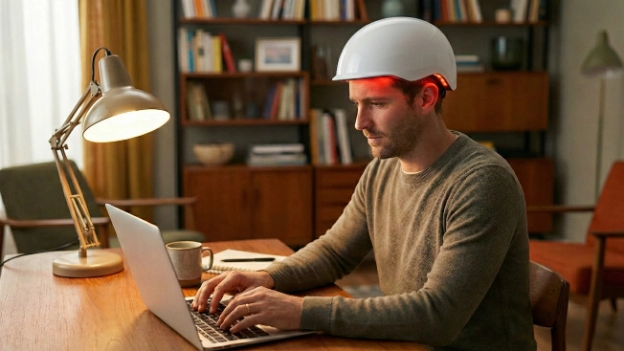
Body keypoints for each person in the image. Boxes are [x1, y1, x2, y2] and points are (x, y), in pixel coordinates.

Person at [193, 17, 536, 350]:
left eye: (377, 103)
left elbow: (439, 316)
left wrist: (299, 312)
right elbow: (333, 252)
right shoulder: (382, 169)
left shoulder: (483, 182)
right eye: (357, 104)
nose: (360, 122)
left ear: (426, 98)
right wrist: (269, 278)